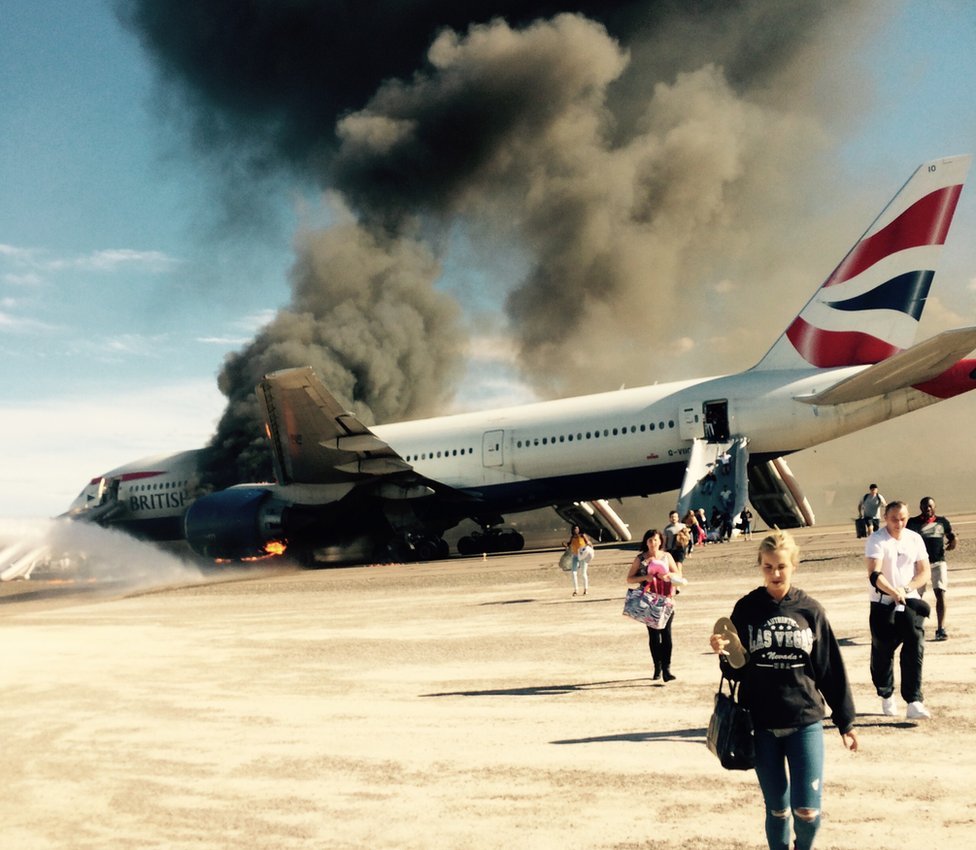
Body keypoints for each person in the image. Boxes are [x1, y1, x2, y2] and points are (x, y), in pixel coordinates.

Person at [709, 529, 858, 850]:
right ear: (760, 566)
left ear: (793, 565)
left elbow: (829, 667)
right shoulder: (747, 609)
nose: (775, 574)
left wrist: (845, 721)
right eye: (768, 567)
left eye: (781, 567)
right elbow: (736, 669)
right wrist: (723, 652)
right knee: (777, 810)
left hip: (805, 721)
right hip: (761, 724)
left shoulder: (811, 611)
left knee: (807, 811)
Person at [865, 500, 932, 719]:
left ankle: (914, 701)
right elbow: (874, 574)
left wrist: (906, 589)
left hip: (908, 600)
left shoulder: (915, 539)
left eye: (903, 518)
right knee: (883, 650)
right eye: (894, 519)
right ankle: (886, 693)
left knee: (914, 644)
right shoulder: (877, 540)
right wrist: (893, 592)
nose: (899, 523)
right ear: (886, 517)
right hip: (883, 602)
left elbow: (924, 572)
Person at [626, 529, 683, 681]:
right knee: (654, 636)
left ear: (660, 541)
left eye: (655, 540)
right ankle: (657, 668)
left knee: (667, 635)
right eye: (650, 540)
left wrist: (668, 575)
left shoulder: (666, 556)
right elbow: (630, 579)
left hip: (666, 600)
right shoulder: (641, 558)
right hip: (649, 601)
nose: (653, 543)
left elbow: (678, 574)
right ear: (646, 542)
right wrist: (646, 576)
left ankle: (667, 669)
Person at [906, 497, 956, 640]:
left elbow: (950, 535)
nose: (927, 509)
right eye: (924, 506)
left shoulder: (942, 522)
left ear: (935, 507)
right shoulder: (913, 523)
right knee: (916, 596)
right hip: (920, 565)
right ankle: (913, 627)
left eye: (930, 506)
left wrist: (954, 541)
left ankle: (940, 629)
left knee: (940, 594)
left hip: (938, 562)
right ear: (920, 507)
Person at [564, 524, 593, 597]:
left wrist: (590, 552)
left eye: (577, 529)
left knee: (583, 573)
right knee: (574, 573)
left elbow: (589, 543)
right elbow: (569, 544)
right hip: (575, 556)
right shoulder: (572, 537)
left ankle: (585, 589)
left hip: (583, 555)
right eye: (574, 529)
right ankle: (576, 590)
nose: (575, 530)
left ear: (579, 529)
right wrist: (565, 545)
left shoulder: (582, 536)